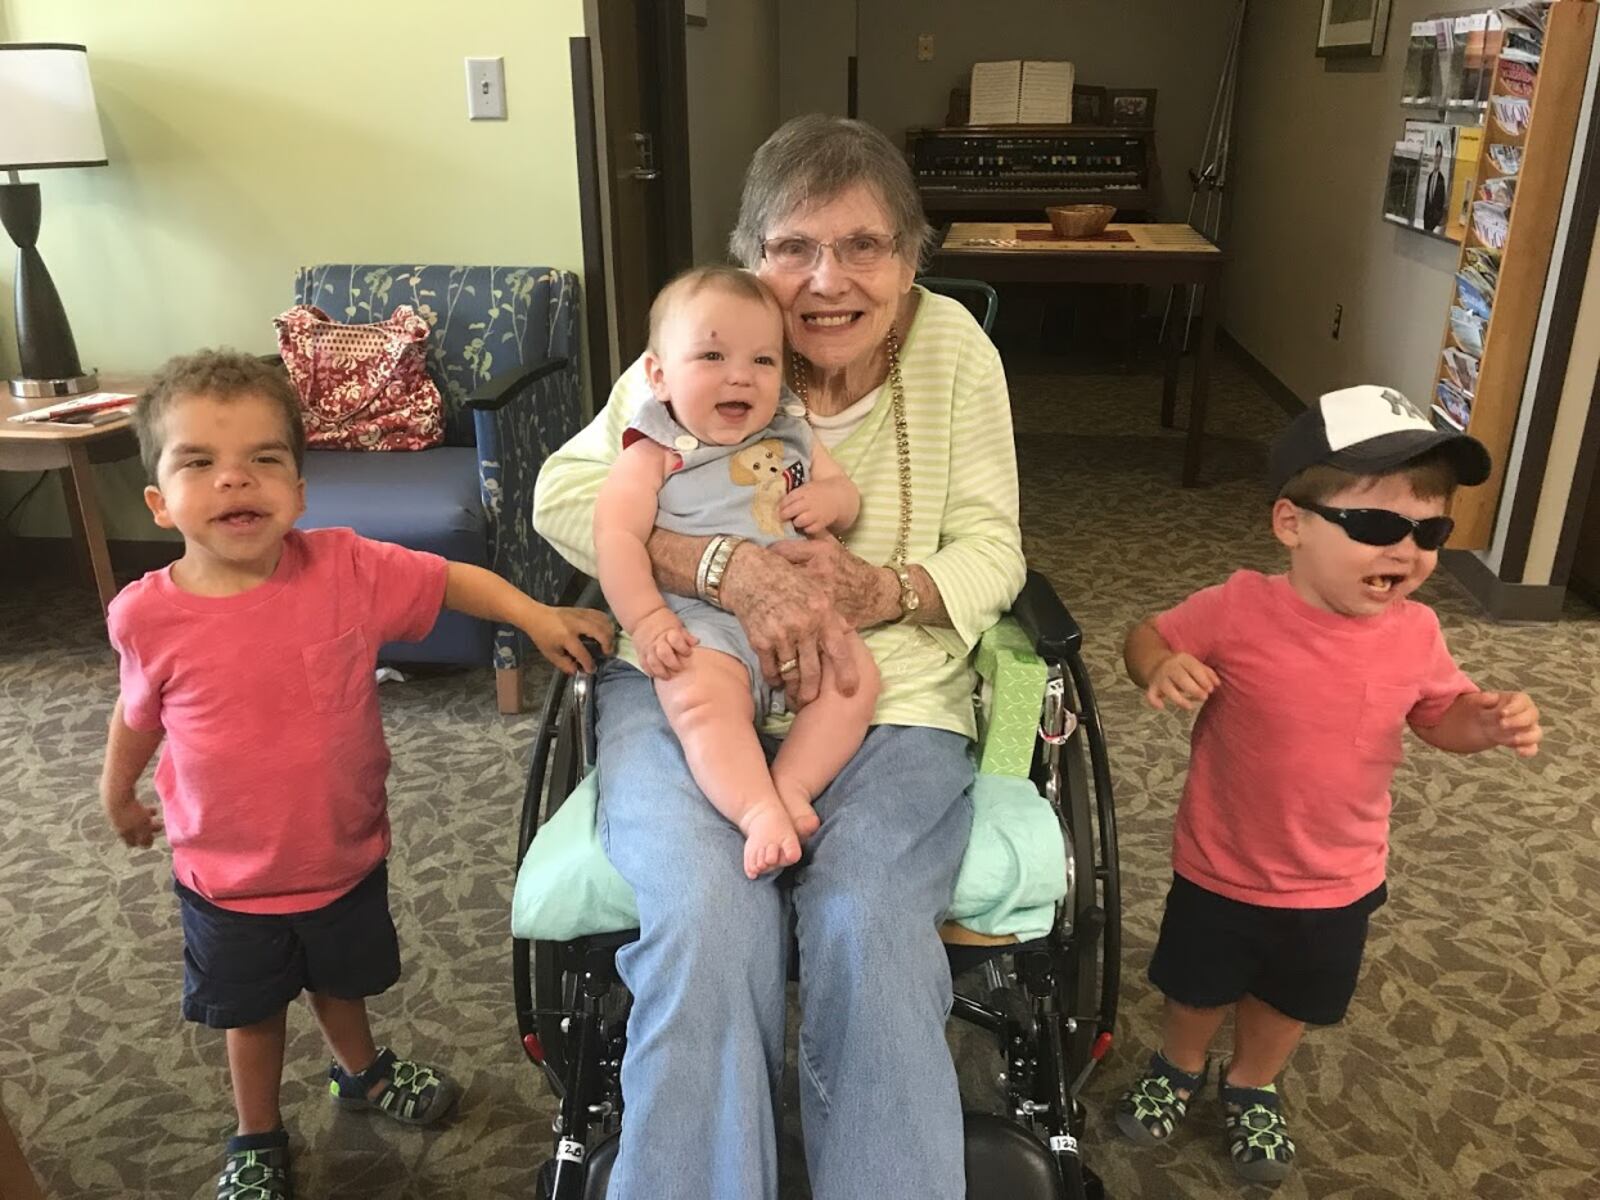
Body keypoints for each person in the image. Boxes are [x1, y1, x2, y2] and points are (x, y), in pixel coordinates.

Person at [534, 114, 1025, 1199]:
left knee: (866, 916)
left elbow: (995, 549)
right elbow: (567, 497)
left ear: (910, 258)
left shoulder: (951, 350)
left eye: (863, 246)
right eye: (793, 246)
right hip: (691, 677)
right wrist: (717, 569)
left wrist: (888, 587)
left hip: (880, 687)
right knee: (705, 917)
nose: (825, 280)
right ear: (753, 253)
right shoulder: (712, 334)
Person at [99, 350, 613, 1200]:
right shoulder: (148, 615)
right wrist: (115, 792)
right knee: (252, 1016)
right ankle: (256, 1132)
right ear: (159, 502)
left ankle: (362, 1071)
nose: (235, 481)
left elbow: (451, 580)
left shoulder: (344, 568)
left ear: (301, 489)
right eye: (199, 462)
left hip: (341, 853)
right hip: (227, 878)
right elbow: (136, 716)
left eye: (264, 459)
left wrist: (533, 612)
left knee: (344, 984)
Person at [1113, 385, 1543, 1184]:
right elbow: (1147, 635)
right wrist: (1162, 663)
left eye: (1429, 532)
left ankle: (1252, 1083)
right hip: (1224, 861)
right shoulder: (1238, 608)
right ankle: (1178, 1064)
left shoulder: (1418, 630)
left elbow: (1438, 713)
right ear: (1292, 526)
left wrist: (1479, 724)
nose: (1405, 551)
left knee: (1291, 998)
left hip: (1339, 877)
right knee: (1195, 985)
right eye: (1378, 526)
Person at [595, 266, 878, 879]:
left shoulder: (792, 432)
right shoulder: (654, 449)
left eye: (763, 360)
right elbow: (614, 537)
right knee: (699, 703)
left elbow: (843, 492)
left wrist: (831, 502)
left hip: (806, 617)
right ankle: (755, 811)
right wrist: (647, 621)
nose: (740, 375)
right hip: (702, 626)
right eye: (712, 355)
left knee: (856, 683)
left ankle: (793, 785)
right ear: (658, 375)